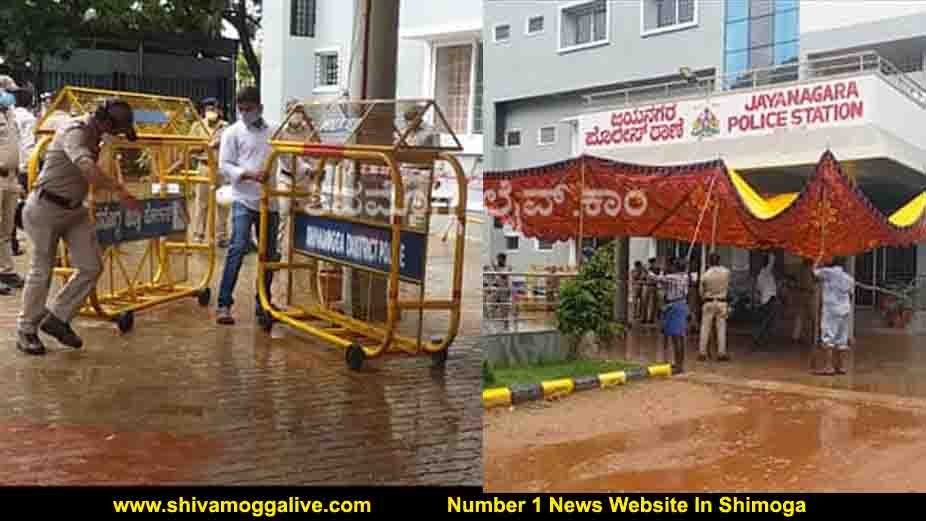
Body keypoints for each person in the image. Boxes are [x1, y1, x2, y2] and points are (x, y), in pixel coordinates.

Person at [16, 98, 142, 355]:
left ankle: (57, 318)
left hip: (74, 210)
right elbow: (86, 166)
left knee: (91, 266)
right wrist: (119, 190)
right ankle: (26, 329)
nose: (116, 136)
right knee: (42, 270)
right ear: (104, 122)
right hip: (45, 208)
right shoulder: (74, 130)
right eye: (116, 130)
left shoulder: (98, 136)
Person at [214, 86, 279, 326]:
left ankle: (264, 302)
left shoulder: (274, 131)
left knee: (269, 254)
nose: (244, 114)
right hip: (243, 198)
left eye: (248, 109)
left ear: (259, 108)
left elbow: (288, 158)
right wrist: (248, 174)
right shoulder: (232, 132)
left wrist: (308, 171)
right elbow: (224, 165)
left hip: (269, 201)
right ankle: (223, 304)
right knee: (238, 247)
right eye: (240, 109)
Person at [272, 98, 318, 305]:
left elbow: (317, 150)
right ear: (287, 112)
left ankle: (302, 248)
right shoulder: (281, 131)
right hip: (286, 178)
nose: (296, 115)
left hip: (305, 180)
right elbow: (280, 153)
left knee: (305, 216)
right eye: (293, 111)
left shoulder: (310, 131)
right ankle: (278, 250)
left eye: (299, 111)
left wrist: (315, 169)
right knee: (283, 213)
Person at [190, 97, 230, 247]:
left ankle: (222, 237)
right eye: (208, 109)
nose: (211, 111)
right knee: (202, 203)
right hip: (205, 167)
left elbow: (232, 147)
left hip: (222, 169)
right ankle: (198, 234)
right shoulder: (197, 126)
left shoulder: (226, 127)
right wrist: (207, 146)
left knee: (223, 203)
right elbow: (190, 148)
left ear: (219, 111)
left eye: (214, 109)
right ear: (204, 111)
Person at [811, 257, 856, 375]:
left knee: (828, 338)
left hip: (831, 310)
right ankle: (841, 367)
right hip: (845, 310)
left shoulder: (827, 272)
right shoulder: (849, 278)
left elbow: (814, 272)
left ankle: (828, 367)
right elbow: (851, 296)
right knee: (842, 339)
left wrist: (819, 259)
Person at [649, 258, 691, 373]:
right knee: (680, 336)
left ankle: (678, 366)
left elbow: (655, 278)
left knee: (676, 337)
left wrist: (649, 272)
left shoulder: (673, 277)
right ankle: (679, 363)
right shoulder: (685, 277)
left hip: (674, 306)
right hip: (682, 305)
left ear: (675, 267)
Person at [11, 86, 36, 259]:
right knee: (21, 204)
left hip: (8, 164)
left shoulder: (9, 115)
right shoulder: (29, 118)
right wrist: (28, 167)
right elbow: (28, 144)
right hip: (22, 166)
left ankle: (12, 243)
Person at [0, 84, 20, 294]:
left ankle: (6, 271)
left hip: (11, 178)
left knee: (6, 230)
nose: (10, 96)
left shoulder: (10, 115)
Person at [699, 253, 731, 362]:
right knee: (721, 329)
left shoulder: (705, 275)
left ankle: (702, 352)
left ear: (709, 261)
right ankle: (721, 353)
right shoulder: (726, 272)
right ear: (719, 260)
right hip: (722, 302)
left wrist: (704, 297)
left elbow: (701, 291)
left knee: (705, 328)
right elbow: (728, 284)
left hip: (708, 302)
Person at [753, 253, 779, 349]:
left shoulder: (760, 275)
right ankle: (758, 338)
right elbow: (772, 260)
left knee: (765, 321)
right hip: (769, 300)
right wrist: (771, 250)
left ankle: (760, 338)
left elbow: (758, 289)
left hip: (764, 300)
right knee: (767, 322)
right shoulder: (766, 272)